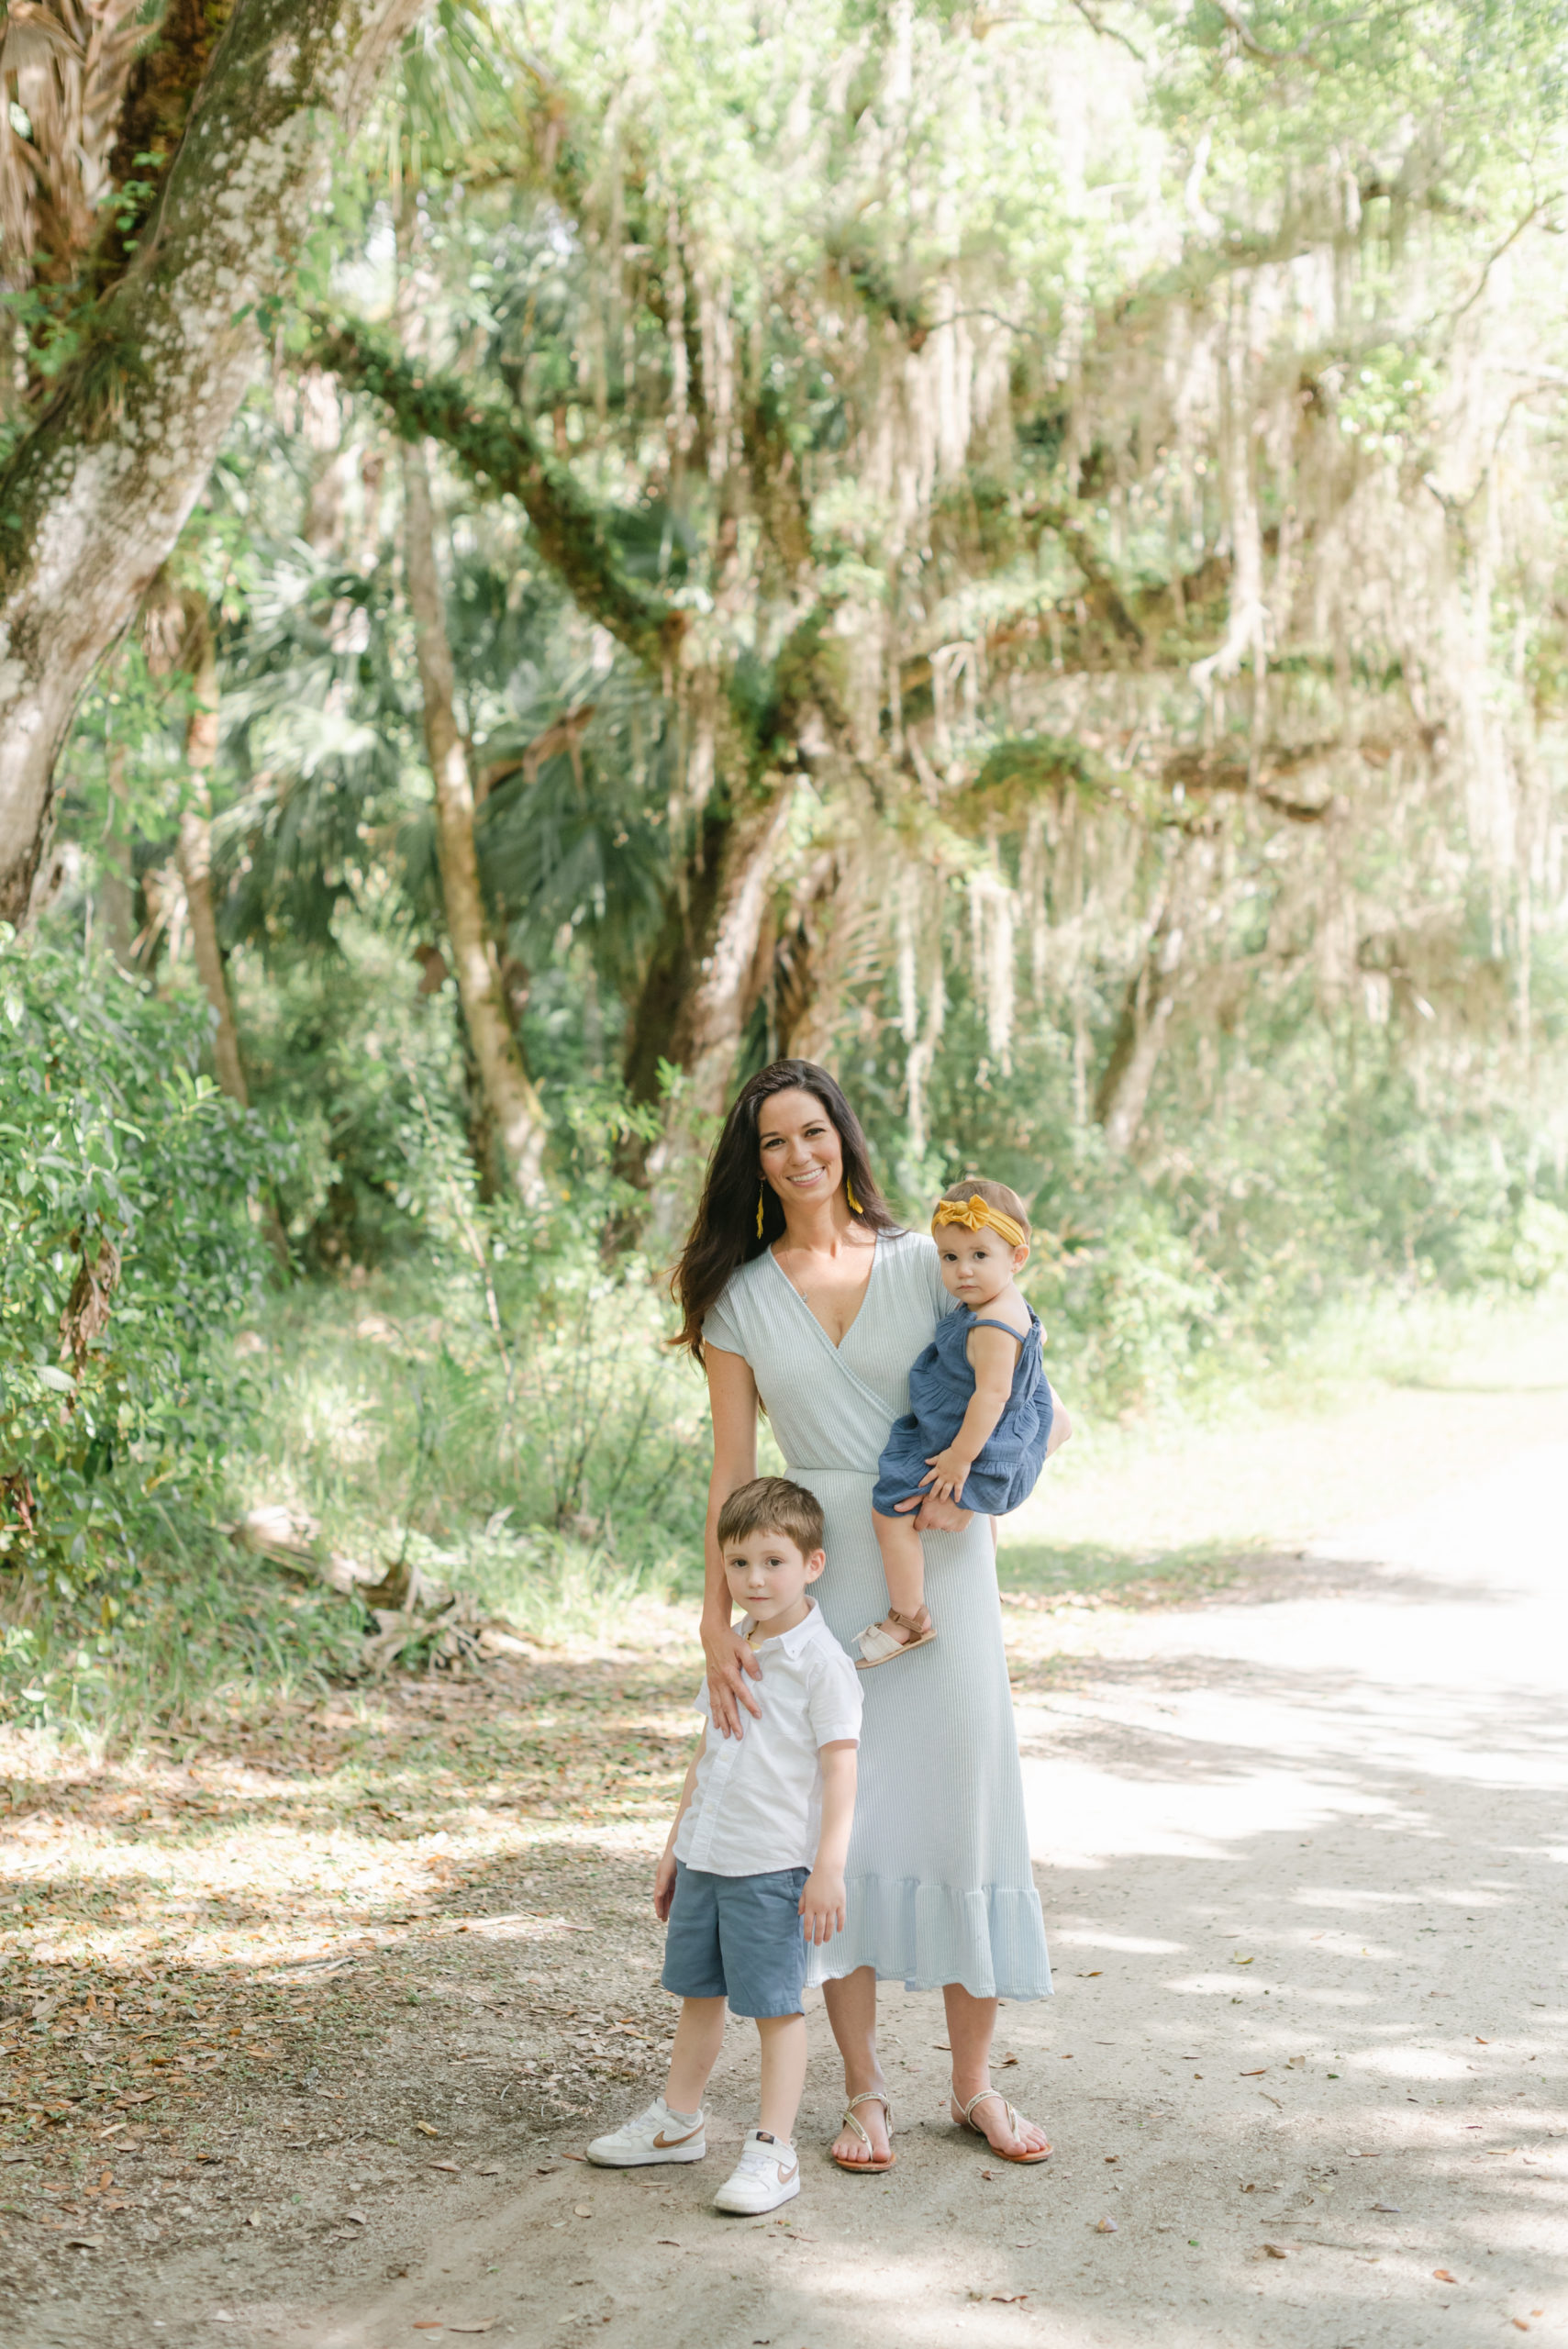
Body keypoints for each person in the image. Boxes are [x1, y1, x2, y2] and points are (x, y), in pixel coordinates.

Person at [671, 1059, 1069, 2176]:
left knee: (961, 1807)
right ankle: (862, 2093)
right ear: (750, 1165)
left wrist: (980, 1485)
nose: (799, 1157)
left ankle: (974, 2085)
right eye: (772, 1143)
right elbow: (731, 1475)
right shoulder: (737, 1298)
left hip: (940, 1566)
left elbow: (1028, 1382)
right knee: (828, 1830)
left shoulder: (927, 1261)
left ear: (842, 1136)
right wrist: (715, 1622)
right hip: (814, 1584)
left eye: (813, 1132)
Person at [584, 1475, 860, 2215]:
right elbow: (708, 1751)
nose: (754, 1579)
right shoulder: (733, 1648)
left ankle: (773, 2152)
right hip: (709, 1853)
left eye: (773, 1561)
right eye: (737, 1564)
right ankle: (679, 2122)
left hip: (770, 1866)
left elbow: (841, 1767)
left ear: (813, 1565)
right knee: (698, 1995)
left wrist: (827, 1868)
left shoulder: (819, 1663)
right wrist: (676, 1843)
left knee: (775, 2008)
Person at [858, 1177, 1053, 1667]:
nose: (963, 1271)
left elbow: (993, 1393)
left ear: (1017, 1258)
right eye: (950, 1257)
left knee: (889, 1506)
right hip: (974, 1438)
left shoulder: (992, 1323)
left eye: (979, 1256)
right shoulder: (1000, 1306)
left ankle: (907, 1617)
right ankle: (985, 1585)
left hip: (964, 1445)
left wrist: (958, 1460)